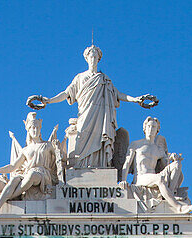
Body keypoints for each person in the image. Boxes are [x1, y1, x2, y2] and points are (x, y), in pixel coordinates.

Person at [27, 44, 155, 169]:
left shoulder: (104, 79)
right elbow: (66, 93)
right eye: (90, 56)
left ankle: (101, 165)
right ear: (86, 59)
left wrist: (136, 100)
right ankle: (81, 166)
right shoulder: (80, 78)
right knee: (81, 136)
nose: (92, 59)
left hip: (102, 114)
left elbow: (118, 94)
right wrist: (48, 100)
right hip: (85, 113)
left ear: (98, 59)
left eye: (95, 56)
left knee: (101, 138)